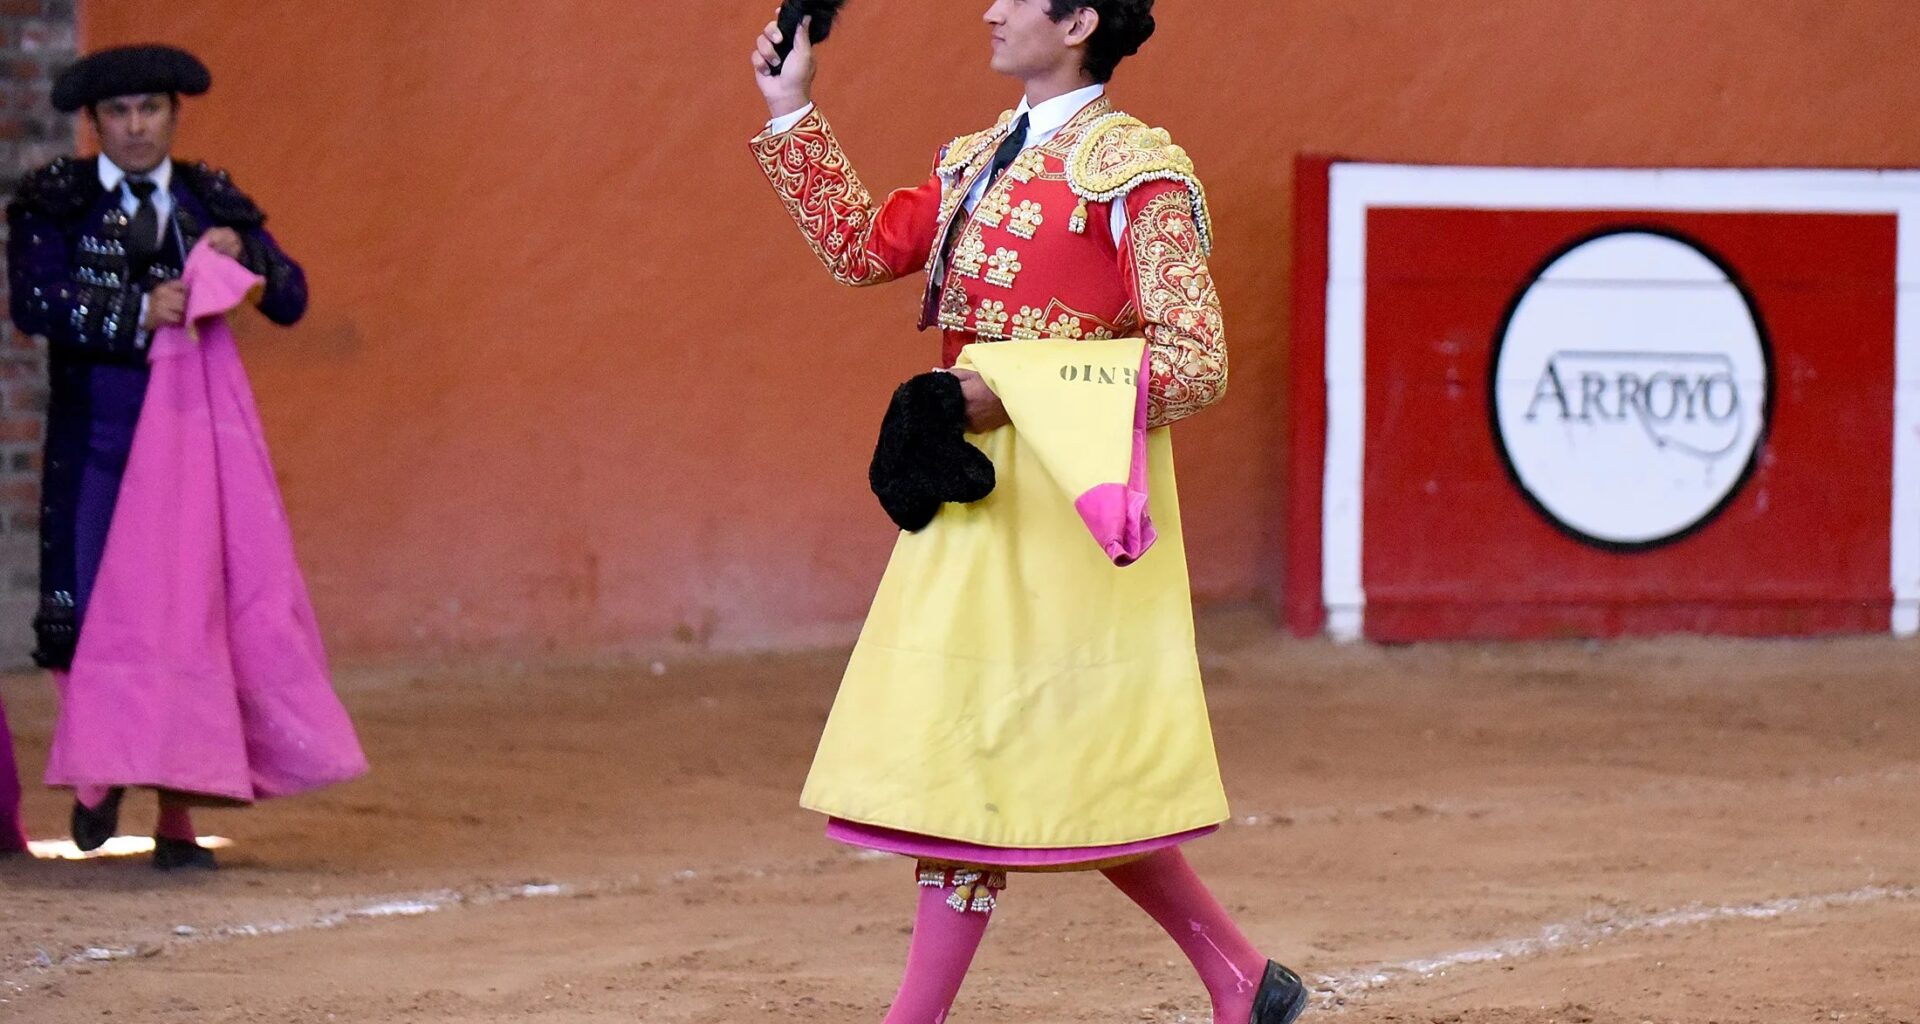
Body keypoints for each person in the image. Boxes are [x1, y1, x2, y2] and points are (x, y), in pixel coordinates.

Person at [749, 3, 1309, 1022]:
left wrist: (998, 392)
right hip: (974, 504)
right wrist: (792, 109)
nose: (991, 8)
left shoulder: (1136, 172)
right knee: (1046, 764)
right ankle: (1242, 979)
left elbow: (1196, 365)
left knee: (971, 768)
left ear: (1080, 18)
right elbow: (856, 248)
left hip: (1071, 508)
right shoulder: (978, 159)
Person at [6, 44, 313, 870]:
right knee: (82, 611)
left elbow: (292, 297)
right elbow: (35, 303)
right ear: (93, 122)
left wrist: (248, 256)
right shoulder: (55, 201)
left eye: (150, 109)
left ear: (175, 115)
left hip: (190, 446)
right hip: (96, 440)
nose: (136, 126)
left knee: (191, 624)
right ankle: (101, 768)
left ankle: (178, 823)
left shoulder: (211, 199)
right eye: (118, 112)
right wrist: (137, 311)